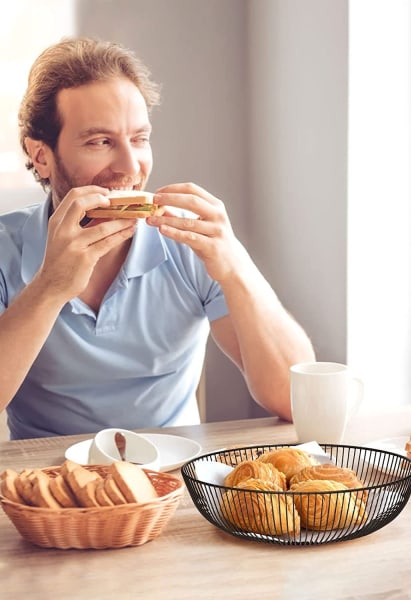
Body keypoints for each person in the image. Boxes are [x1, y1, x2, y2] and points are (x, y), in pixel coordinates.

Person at [0, 37, 315, 439]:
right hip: (48, 483)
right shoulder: (5, 249)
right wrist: (50, 287)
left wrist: (236, 268)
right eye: (100, 142)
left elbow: (296, 399)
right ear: (41, 156)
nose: (130, 167)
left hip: (174, 479)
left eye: (139, 139)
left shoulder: (190, 240)